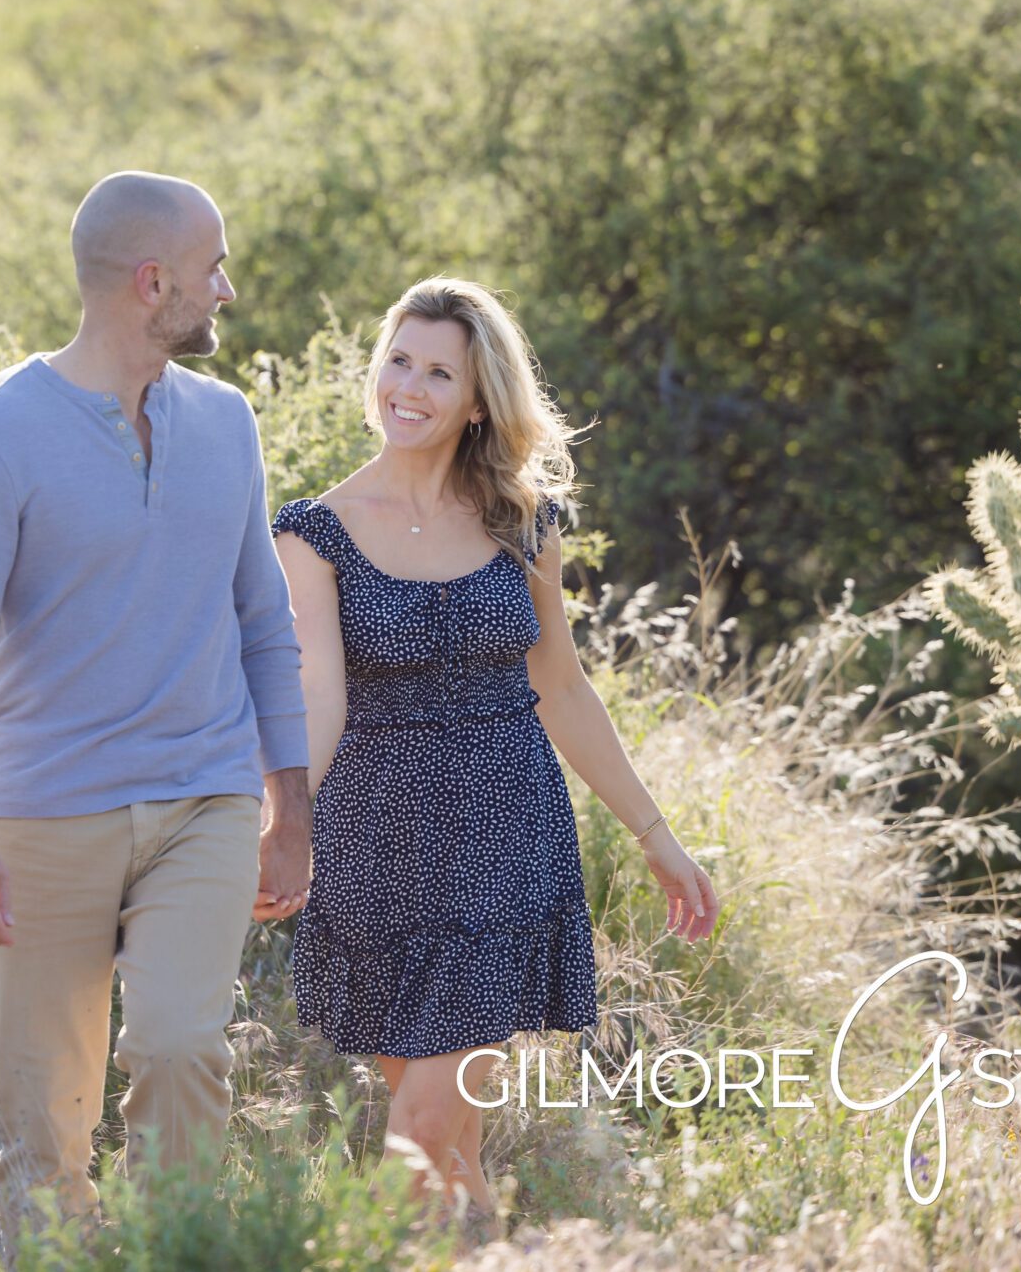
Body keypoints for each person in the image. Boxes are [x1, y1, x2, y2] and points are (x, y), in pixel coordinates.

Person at [0, 171, 314, 1236]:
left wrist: (291, 809)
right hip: (42, 816)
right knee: (44, 1125)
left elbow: (264, 623)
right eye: (211, 269)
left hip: (204, 800)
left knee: (182, 1048)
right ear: (152, 282)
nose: (224, 290)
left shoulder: (224, 425)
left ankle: (176, 1254)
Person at [270, 275, 718, 1228]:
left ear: (479, 398)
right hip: (376, 855)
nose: (409, 386)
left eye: (440, 371)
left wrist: (654, 831)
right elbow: (319, 697)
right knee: (449, 1152)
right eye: (398, 359)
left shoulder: (523, 522)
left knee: (421, 1128)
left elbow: (561, 687)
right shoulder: (313, 531)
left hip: (504, 841)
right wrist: (285, 827)